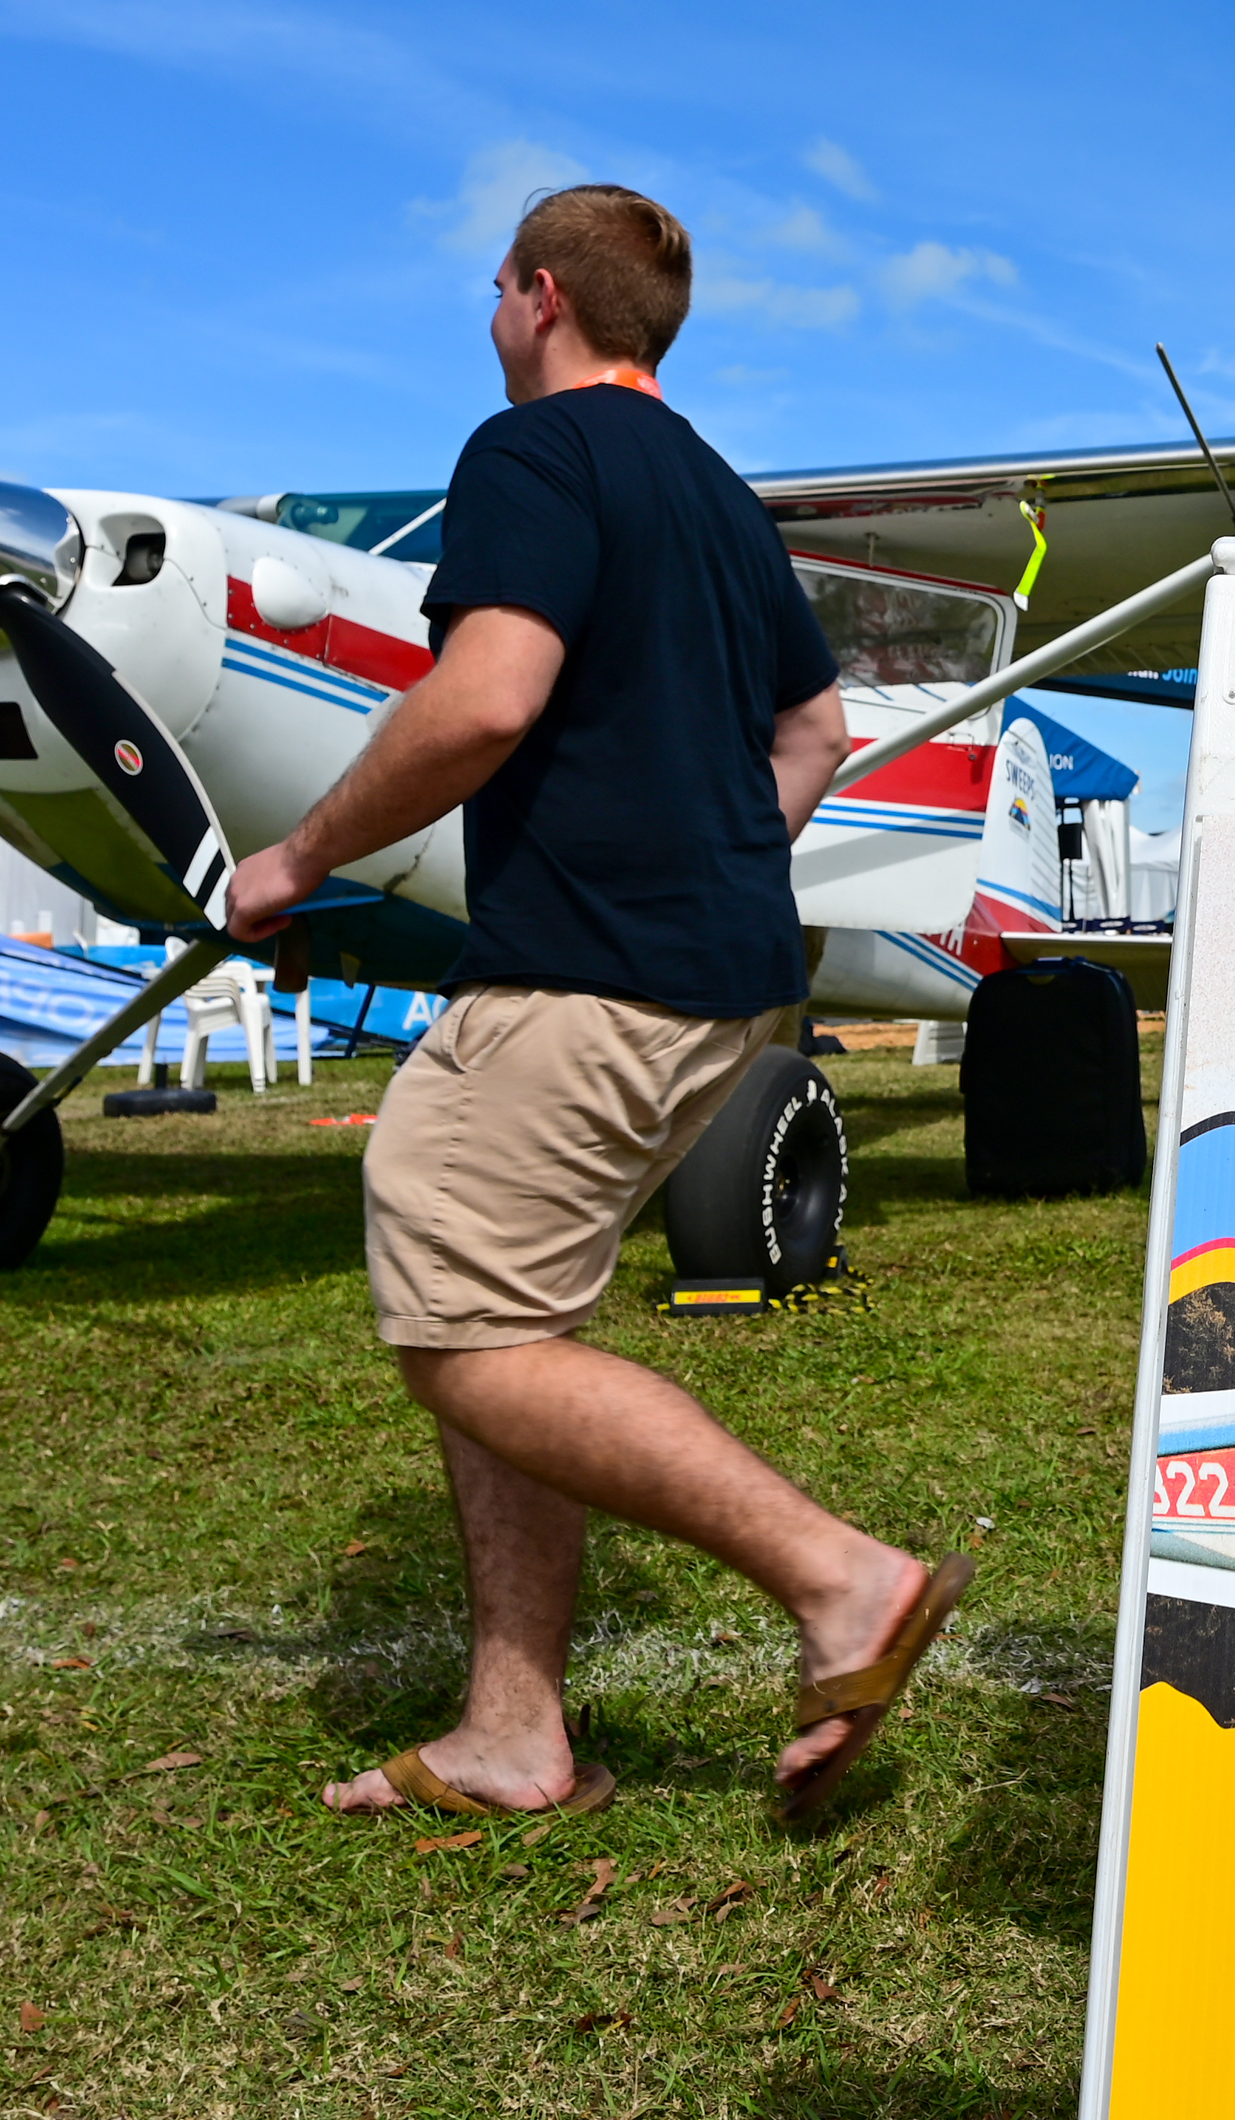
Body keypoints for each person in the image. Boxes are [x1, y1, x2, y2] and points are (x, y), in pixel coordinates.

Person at [224, 184, 972, 1828]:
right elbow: (819, 728)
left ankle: (840, 1579)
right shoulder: (717, 492)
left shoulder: (529, 458)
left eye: (497, 289)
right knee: (517, 1307)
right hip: (723, 974)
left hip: (591, 967)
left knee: (460, 1325)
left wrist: (299, 855)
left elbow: (486, 695)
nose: (492, 318)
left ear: (544, 295)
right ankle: (514, 1727)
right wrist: (713, 856)